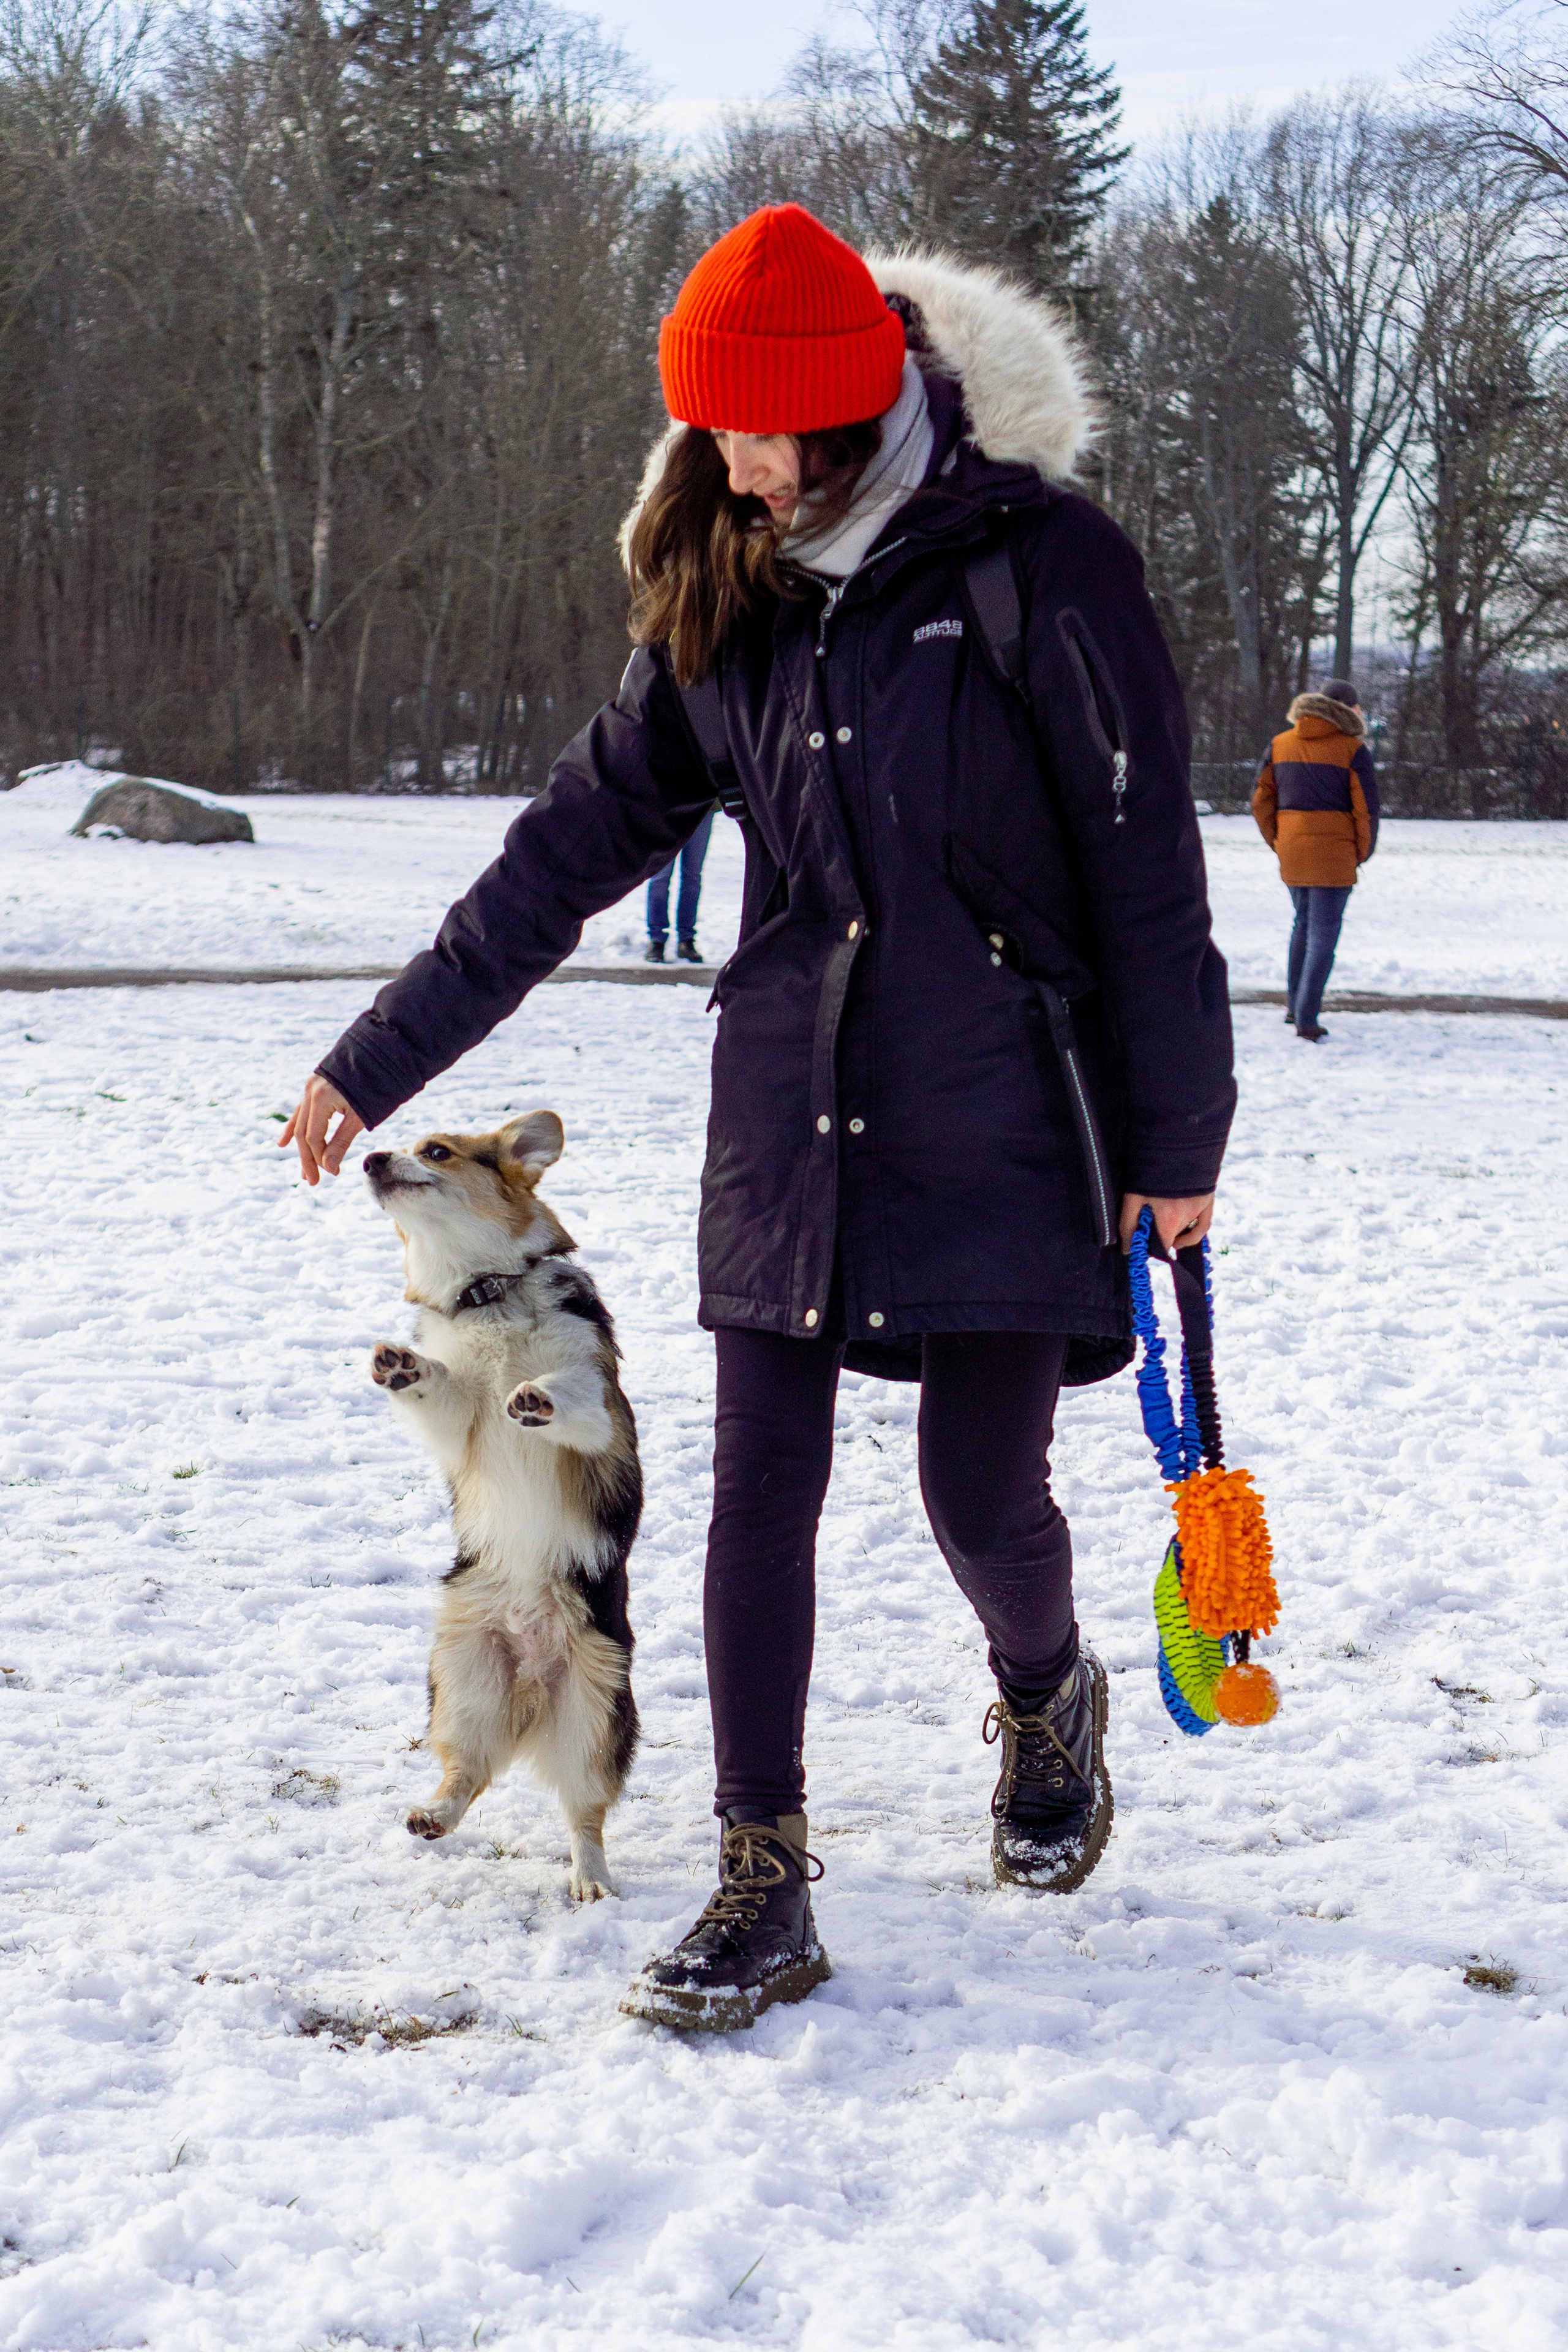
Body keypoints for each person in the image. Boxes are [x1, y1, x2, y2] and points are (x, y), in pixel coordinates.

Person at [279, 206, 1235, 2034]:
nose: (731, 465)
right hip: (790, 1105)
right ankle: (760, 1872)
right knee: (755, 1499)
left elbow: (1144, 879)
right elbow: (561, 852)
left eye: (759, 431)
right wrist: (374, 1059)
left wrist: (1175, 1140)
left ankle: (1046, 1693)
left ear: (855, 398)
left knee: (983, 1493)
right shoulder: (720, 588)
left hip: (1003, 1111)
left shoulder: (1042, 566)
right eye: (708, 430)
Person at [1251, 678, 1380, 1041]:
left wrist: (1279, 841)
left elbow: (1261, 801)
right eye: (1357, 706)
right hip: (1335, 854)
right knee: (1323, 935)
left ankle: (1295, 1006)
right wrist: (1362, 853)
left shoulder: (1280, 744)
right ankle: (1308, 1018)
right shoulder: (1353, 750)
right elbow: (1366, 812)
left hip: (1292, 849)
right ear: (1347, 709)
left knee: (1302, 926)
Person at [644, 803, 714, 962]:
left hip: (702, 806)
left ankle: (686, 940)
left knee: (692, 877)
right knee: (660, 877)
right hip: (667, 807)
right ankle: (656, 940)